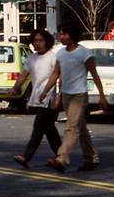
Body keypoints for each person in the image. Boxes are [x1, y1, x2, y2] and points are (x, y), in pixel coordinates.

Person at [40, 23, 110, 173]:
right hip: (66, 95)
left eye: (64, 34)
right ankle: (91, 158)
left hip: (80, 95)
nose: (61, 36)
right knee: (81, 128)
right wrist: (47, 91)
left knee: (71, 127)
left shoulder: (85, 53)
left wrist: (102, 96)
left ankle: (62, 158)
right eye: (60, 33)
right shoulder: (60, 54)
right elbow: (56, 75)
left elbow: (95, 75)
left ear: (72, 36)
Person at [12, 29, 62, 168]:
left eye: (41, 40)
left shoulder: (53, 57)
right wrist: (15, 87)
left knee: (38, 128)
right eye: (35, 41)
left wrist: (57, 95)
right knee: (49, 130)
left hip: (49, 99)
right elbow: (24, 75)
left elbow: (58, 76)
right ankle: (61, 156)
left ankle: (26, 156)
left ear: (47, 42)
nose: (38, 43)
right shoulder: (31, 58)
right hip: (37, 98)